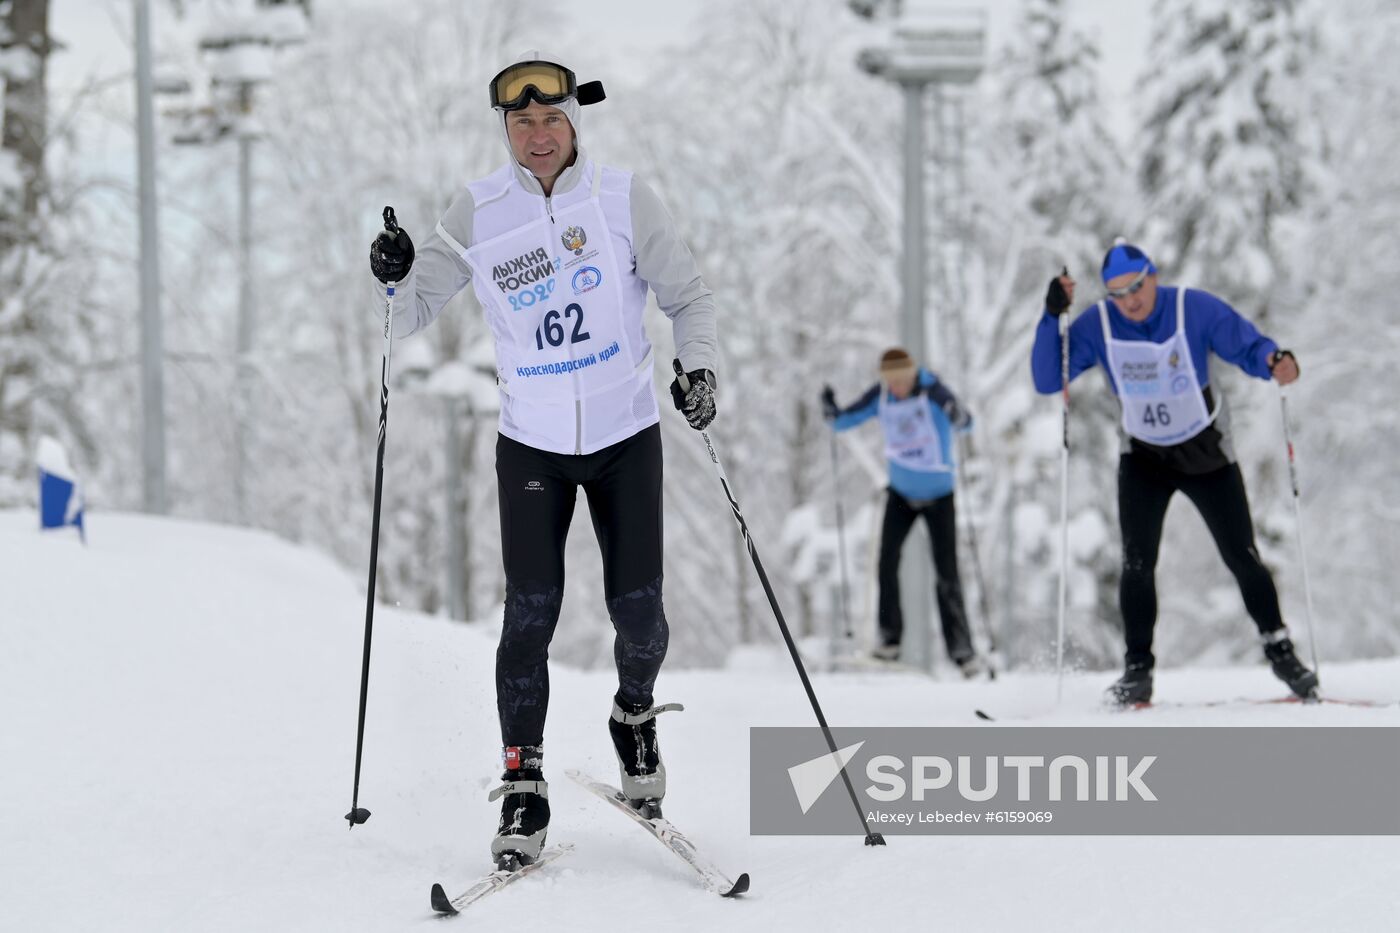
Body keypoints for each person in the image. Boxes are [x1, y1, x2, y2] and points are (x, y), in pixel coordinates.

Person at [367, 53, 718, 868]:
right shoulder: (480, 210)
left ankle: (633, 717)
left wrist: (697, 367)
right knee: (530, 616)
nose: (535, 134)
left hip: (626, 433)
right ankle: (524, 784)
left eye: (549, 118)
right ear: (506, 130)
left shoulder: (626, 198)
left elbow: (688, 296)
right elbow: (412, 309)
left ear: (574, 120)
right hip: (532, 443)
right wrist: (391, 272)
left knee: (641, 614)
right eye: (519, 122)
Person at [1030, 241, 1315, 706]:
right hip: (1144, 458)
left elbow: (1245, 344)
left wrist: (1273, 362)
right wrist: (1050, 316)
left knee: (1241, 556)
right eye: (1118, 293)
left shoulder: (1190, 308)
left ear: (1153, 277)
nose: (1130, 301)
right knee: (1137, 564)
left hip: (1206, 453)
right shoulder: (1099, 324)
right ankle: (1137, 671)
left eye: (1137, 288)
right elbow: (1048, 378)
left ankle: (1283, 654)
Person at [821, 348, 984, 677]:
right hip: (901, 494)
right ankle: (890, 641)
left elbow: (966, 423)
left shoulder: (934, 392)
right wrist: (831, 411)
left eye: (901, 381)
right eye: (890, 382)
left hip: (939, 495)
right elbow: (845, 420)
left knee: (946, 572)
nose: (896, 388)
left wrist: (961, 418)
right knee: (886, 562)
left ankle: (962, 652)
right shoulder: (881, 396)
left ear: (913, 375)